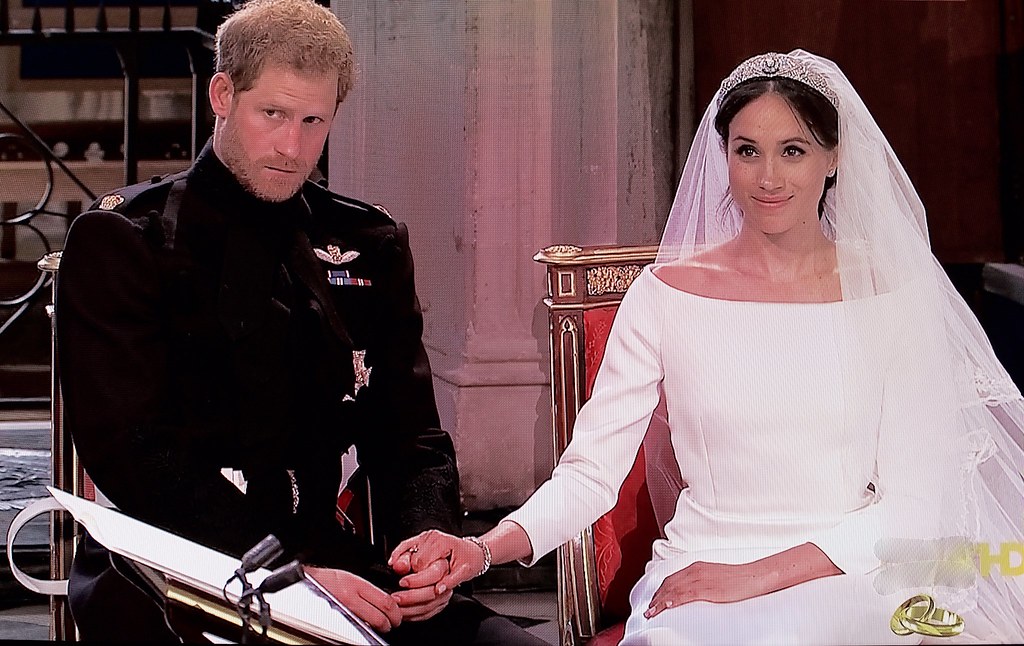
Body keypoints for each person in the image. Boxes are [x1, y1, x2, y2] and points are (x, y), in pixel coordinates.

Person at [391, 50, 1024, 644]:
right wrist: (483, 549)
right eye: (748, 151)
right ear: (723, 155)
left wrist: (752, 578)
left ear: (833, 158)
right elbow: (590, 473)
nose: (768, 177)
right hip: (699, 581)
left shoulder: (895, 298)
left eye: (793, 150)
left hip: (856, 571)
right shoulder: (665, 295)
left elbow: (916, 506)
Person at [55, 1, 546, 644]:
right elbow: (138, 459)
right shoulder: (126, 240)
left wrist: (425, 546)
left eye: (314, 120)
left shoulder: (365, 240)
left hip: (337, 564)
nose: (293, 147)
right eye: (274, 115)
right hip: (182, 566)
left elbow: (411, 436)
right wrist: (286, 575)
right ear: (223, 95)